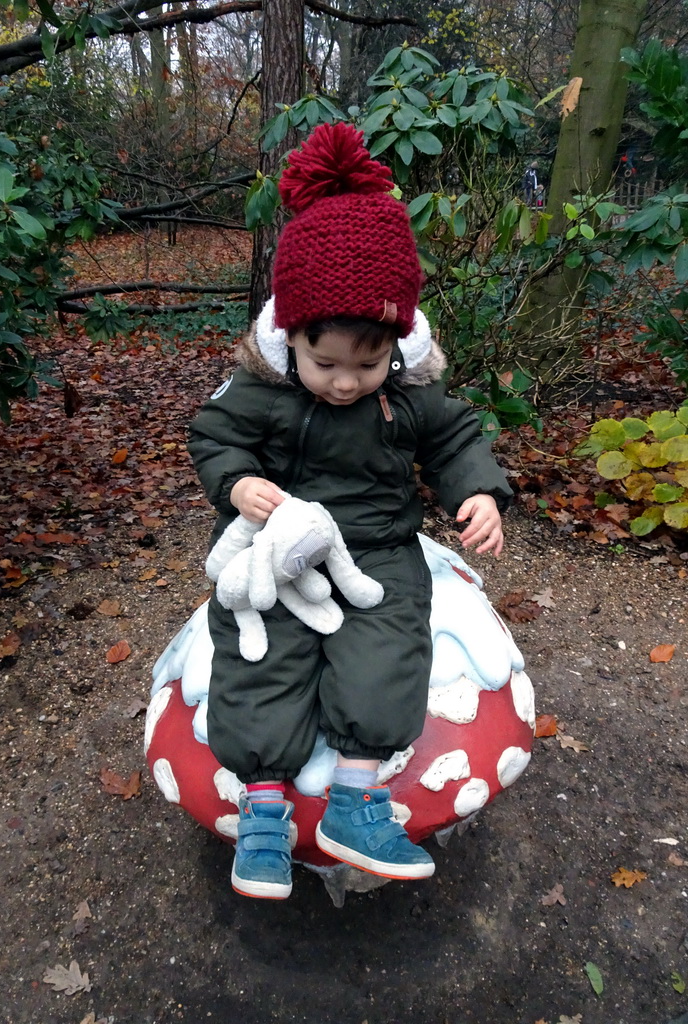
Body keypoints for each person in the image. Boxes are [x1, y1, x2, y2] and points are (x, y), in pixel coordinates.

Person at [187, 121, 512, 900]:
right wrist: (235, 485)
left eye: (366, 364)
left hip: (376, 549)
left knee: (388, 645)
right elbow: (213, 434)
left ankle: (357, 799)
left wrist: (477, 490)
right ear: (289, 335)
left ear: (397, 346)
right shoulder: (261, 391)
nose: (343, 383)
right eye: (324, 362)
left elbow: (457, 436)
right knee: (260, 652)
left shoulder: (408, 392)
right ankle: (262, 805)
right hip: (275, 547)